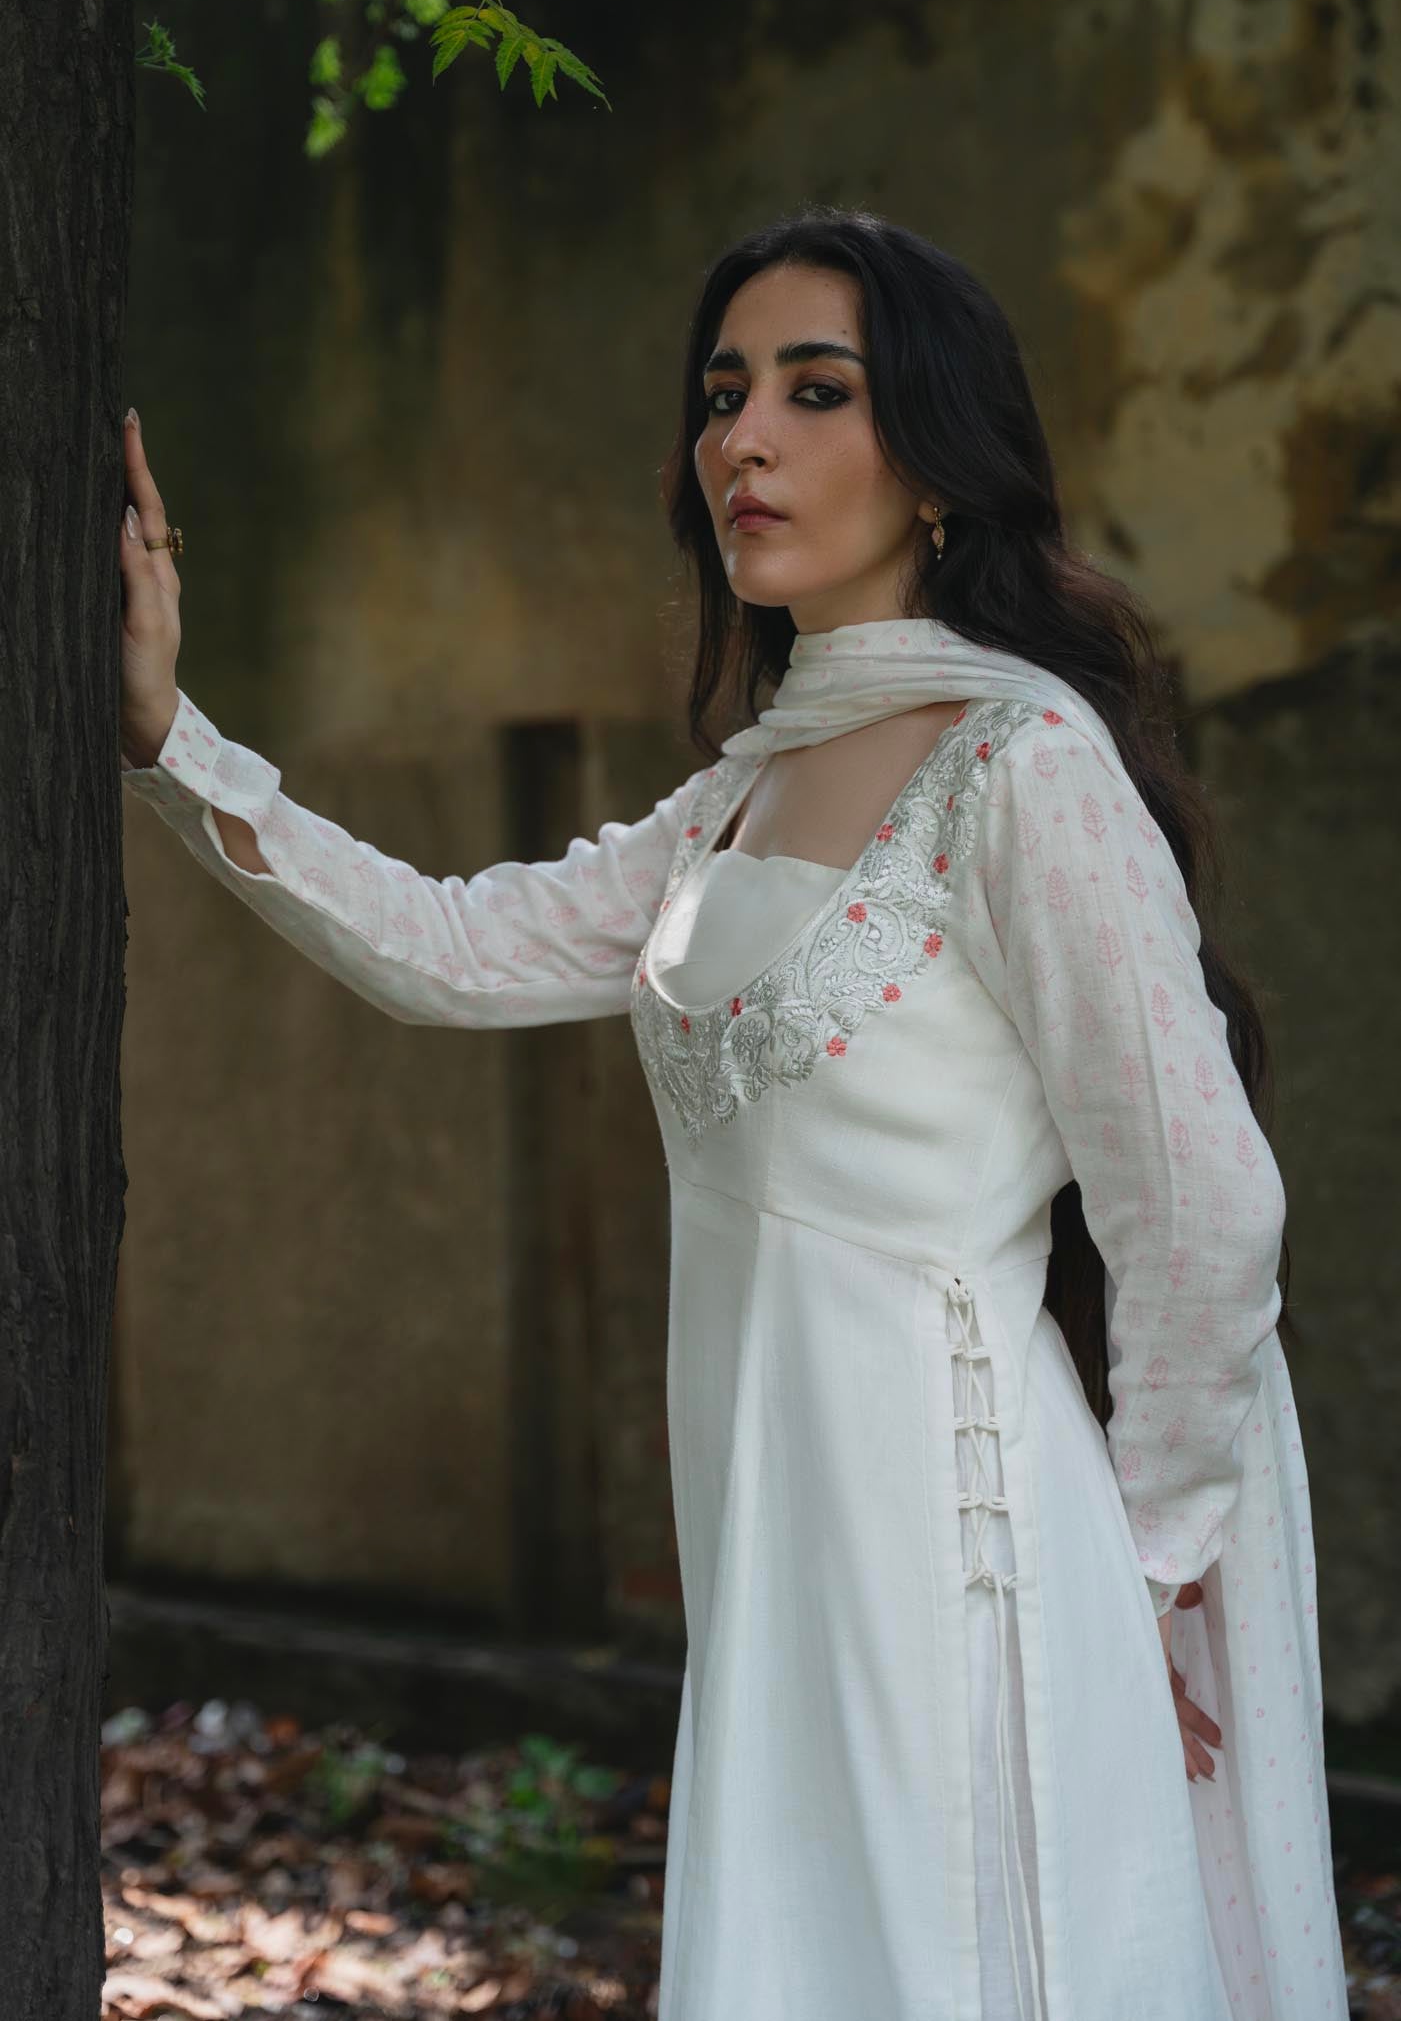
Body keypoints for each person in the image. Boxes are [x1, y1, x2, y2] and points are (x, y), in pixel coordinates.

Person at [118, 208, 1348, 2021]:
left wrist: (1153, 1581)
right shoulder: (737, 800)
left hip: (968, 1564)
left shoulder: (1020, 768)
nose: (741, 441)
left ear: (936, 461)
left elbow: (1198, 1201)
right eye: (720, 394)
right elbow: (448, 948)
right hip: (773, 1555)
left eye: (813, 391)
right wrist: (168, 736)